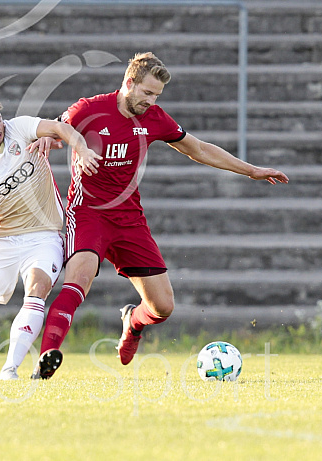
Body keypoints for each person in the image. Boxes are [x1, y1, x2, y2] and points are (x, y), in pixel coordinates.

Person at [31, 52, 289, 379]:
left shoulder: (154, 118)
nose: (151, 101)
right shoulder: (90, 109)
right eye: (147, 93)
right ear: (129, 83)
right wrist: (45, 138)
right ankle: (46, 359)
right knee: (79, 279)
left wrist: (250, 170)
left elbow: (198, 149)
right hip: (88, 213)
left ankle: (132, 322)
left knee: (163, 307)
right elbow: (53, 128)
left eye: (157, 96)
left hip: (128, 219)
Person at [0, 93, 100, 381]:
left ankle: (10, 369)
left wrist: (82, 149)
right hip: (2, 240)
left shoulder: (19, 128)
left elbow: (60, 128)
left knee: (38, 288)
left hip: (43, 237)